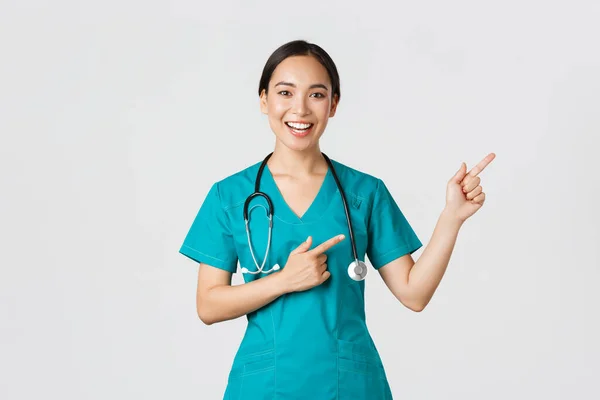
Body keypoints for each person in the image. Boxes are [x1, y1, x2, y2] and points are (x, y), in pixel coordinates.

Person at [179, 39, 495, 399]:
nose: (300, 109)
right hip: (264, 386)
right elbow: (208, 305)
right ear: (264, 99)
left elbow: (414, 294)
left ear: (333, 105)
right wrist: (284, 280)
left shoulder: (364, 193)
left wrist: (451, 218)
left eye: (316, 95)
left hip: (349, 386)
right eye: (285, 92)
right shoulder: (230, 196)